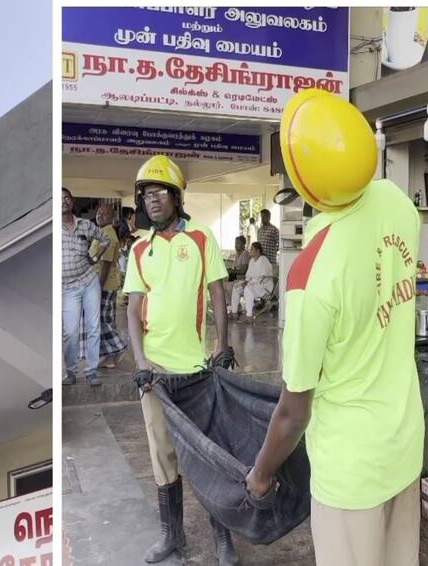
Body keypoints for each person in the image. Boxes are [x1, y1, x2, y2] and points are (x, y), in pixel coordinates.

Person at [246, 89, 423, 566]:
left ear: (300, 181)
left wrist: (261, 474)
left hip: (352, 475)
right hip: (405, 447)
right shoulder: (396, 204)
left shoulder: (310, 276)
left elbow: (293, 411)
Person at [123, 155, 238, 565]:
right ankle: (172, 536)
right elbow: (133, 311)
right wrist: (140, 362)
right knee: (162, 455)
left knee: (207, 456)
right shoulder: (139, 250)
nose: (151, 200)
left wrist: (222, 348)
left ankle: (222, 538)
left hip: (197, 370)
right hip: (154, 374)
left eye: (158, 192)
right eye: (145, 195)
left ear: (175, 197)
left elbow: (219, 296)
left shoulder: (202, 238)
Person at [62, 187, 110, 386]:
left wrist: (95, 257)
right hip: (68, 287)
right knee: (70, 331)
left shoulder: (84, 225)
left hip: (89, 281)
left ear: (72, 202)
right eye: (59, 199)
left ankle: (91, 371)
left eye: (67, 198)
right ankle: (71, 371)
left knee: (93, 327)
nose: (63, 201)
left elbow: (105, 239)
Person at [93, 204, 128, 368]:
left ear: (112, 218)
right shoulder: (102, 233)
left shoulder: (107, 235)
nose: (100, 216)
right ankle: (109, 358)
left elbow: (106, 264)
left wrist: (97, 289)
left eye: (104, 214)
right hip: (102, 283)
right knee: (105, 320)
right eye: (99, 213)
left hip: (104, 284)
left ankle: (117, 349)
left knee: (102, 320)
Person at [229, 242, 273, 321]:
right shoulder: (251, 261)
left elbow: (262, 278)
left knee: (247, 289)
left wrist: (248, 283)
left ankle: (249, 315)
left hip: (264, 287)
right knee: (236, 287)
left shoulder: (264, 260)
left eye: (252, 249)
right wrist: (245, 282)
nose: (250, 250)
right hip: (253, 285)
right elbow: (248, 276)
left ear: (258, 251)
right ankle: (234, 312)